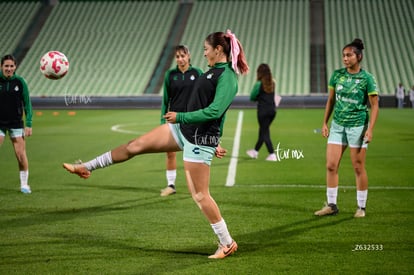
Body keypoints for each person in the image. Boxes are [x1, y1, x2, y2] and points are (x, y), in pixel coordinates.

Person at [63, 30, 249, 259]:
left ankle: (227, 243)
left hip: (198, 139)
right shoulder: (212, 71)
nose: (204, 53)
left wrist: (189, 123)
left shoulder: (227, 76)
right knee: (134, 145)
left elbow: (216, 111)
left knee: (200, 196)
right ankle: (86, 166)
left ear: (218, 49)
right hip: (185, 131)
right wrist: (196, 129)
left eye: (205, 49)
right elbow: (204, 106)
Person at [314, 38, 379, 218]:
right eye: (343, 55)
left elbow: (374, 105)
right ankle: (332, 205)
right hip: (338, 126)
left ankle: (361, 207)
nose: (345, 58)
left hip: (357, 127)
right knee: (331, 165)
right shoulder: (337, 75)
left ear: (358, 57)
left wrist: (370, 128)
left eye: (349, 55)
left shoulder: (367, 79)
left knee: (358, 167)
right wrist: (325, 123)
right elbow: (331, 100)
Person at [160, 45, 203, 196]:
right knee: (170, 153)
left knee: (192, 155)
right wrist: (162, 121)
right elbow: (166, 100)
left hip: (192, 120)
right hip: (173, 119)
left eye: (183, 56)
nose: (180, 59)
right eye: (177, 56)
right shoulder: (170, 75)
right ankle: (170, 185)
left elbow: (204, 96)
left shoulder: (197, 73)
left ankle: (196, 187)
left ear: (189, 56)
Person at [0, 54, 33, 194]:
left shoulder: (20, 82)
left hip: (16, 122)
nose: (9, 69)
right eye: (6, 66)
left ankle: (24, 184)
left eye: (11, 66)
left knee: (20, 154)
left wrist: (29, 123)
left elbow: (27, 104)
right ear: (1, 67)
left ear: (15, 67)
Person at [246, 63, 277, 161]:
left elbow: (252, 97)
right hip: (272, 111)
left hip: (263, 111)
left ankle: (272, 154)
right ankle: (255, 151)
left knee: (265, 132)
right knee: (263, 130)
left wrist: (258, 98)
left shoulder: (259, 84)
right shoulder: (273, 82)